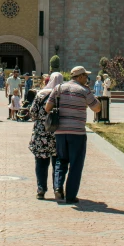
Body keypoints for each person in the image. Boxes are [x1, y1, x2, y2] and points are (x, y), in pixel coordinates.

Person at [45, 65, 101, 204]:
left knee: (60, 160)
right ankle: (70, 195)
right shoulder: (83, 90)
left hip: (60, 131)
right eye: (86, 76)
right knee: (76, 164)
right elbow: (97, 108)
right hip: (77, 133)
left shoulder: (58, 88)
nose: (87, 79)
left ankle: (58, 187)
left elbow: (47, 107)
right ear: (80, 77)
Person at [29, 72, 63, 199]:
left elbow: (32, 113)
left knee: (41, 161)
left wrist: (41, 121)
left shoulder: (41, 94)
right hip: (58, 133)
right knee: (58, 162)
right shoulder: (63, 96)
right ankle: (58, 188)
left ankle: (41, 189)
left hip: (41, 133)